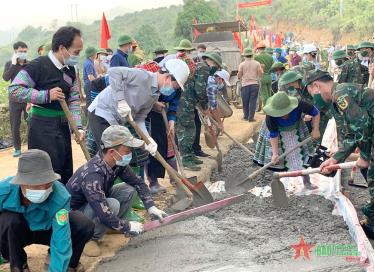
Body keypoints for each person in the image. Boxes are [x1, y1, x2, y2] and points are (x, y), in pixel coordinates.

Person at [67, 125, 167, 257]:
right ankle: (89, 238)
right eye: (127, 151)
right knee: (112, 204)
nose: (130, 154)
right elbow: (103, 212)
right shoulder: (93, 175)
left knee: (128, 189)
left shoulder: (118, 164)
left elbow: (138, 183)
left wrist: (151, 206)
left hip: (93, 205)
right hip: (75, 217)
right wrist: (127, 227)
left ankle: (112, 226)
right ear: (112, 152)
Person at [8, 26, 85, 184]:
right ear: (62, 48)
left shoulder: (71, 69)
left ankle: (63, 207)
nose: (77, 56)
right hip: (42, 128)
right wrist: (45, 95)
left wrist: (78, 127)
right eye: (76, 52)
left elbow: (74, 99)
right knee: (46, 172)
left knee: (65, 170)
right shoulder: (37, 66)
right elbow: (14, 90)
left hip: (63, 126)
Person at [305, 69, 373, 238]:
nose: (314, 99)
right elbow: (351, 135)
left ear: (316, 86)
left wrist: (364, 157)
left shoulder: (341, 94)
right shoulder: (335, 104)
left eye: (312, 94)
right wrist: (335, 159)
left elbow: (363, 126)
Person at [0, 149, 94, 272]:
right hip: (19, 232)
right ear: (21, 182)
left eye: (48, 183)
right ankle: (19, 265)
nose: (44, 189)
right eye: (37, 185)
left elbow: (61, 238)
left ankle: (65, 263)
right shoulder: (4, 191)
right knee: (8, 220)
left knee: (83, 224)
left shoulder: (61, 196)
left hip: (49, 230)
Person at [88, 59, 190, 168]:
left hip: (115, 121)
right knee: (110, 156)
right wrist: (120, 100)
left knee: (118, 157)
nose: (173, 91)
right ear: (168, 77)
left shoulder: (154, 95)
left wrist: (148, 139)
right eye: (174, 87)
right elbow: (114, 72)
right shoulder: (143, 76)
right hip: (101, 112)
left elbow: (140, 119)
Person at [255, 92, 320, 188]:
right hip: (278, 133)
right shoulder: (270, 117)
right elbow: (273, 134)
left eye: (285, 112)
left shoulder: (300, 104)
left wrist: (315, 129)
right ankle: (277, 185)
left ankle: (307, 182)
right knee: (277, 160)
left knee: (301, 155)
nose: (283, 115)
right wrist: (275, 153)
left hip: (296, 129)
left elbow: (315, 112)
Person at [176, 52, 220, 170]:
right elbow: (200, 89)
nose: (216, 69)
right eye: (217, 66)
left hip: (189, 101)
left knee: (191, 128)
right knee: (187, 129)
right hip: (185, 101)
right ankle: (186, 159)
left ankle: (190, 155)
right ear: (213, 62)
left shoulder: (200, 66)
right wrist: (204, 106)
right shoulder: (204, 68)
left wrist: (200, 105)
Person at [3, 41, 29, 157]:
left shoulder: (29, 64)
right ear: (15, 52)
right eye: (20, 51)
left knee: (32, 123)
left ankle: (32, 146)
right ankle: (17, 148)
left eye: (25, 51)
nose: (23, 53)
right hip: (14, 99)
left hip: (28, 98)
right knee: (15, 125)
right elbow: (6, 77)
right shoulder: (10, 63)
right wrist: (14, 64)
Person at [237, 48, 263, 122]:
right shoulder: (257, 63)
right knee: (253, 101)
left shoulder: (242, 64)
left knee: (245, 101)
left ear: (245, 56)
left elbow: (239, 75)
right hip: (255, 84)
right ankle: (251, 118)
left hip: (245, 85)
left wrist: (239, 77)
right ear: (252, 55)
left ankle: (245, 116)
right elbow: (260, 73)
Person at [254, 42, 274, 110]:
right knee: (269, 94)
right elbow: (273, 67)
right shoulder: (270, 57)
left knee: (264, 95)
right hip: (269, 76)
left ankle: (267, 109)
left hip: (262, 77)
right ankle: (271, 107)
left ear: (258, 49)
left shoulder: (256, 57)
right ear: (264, 48)